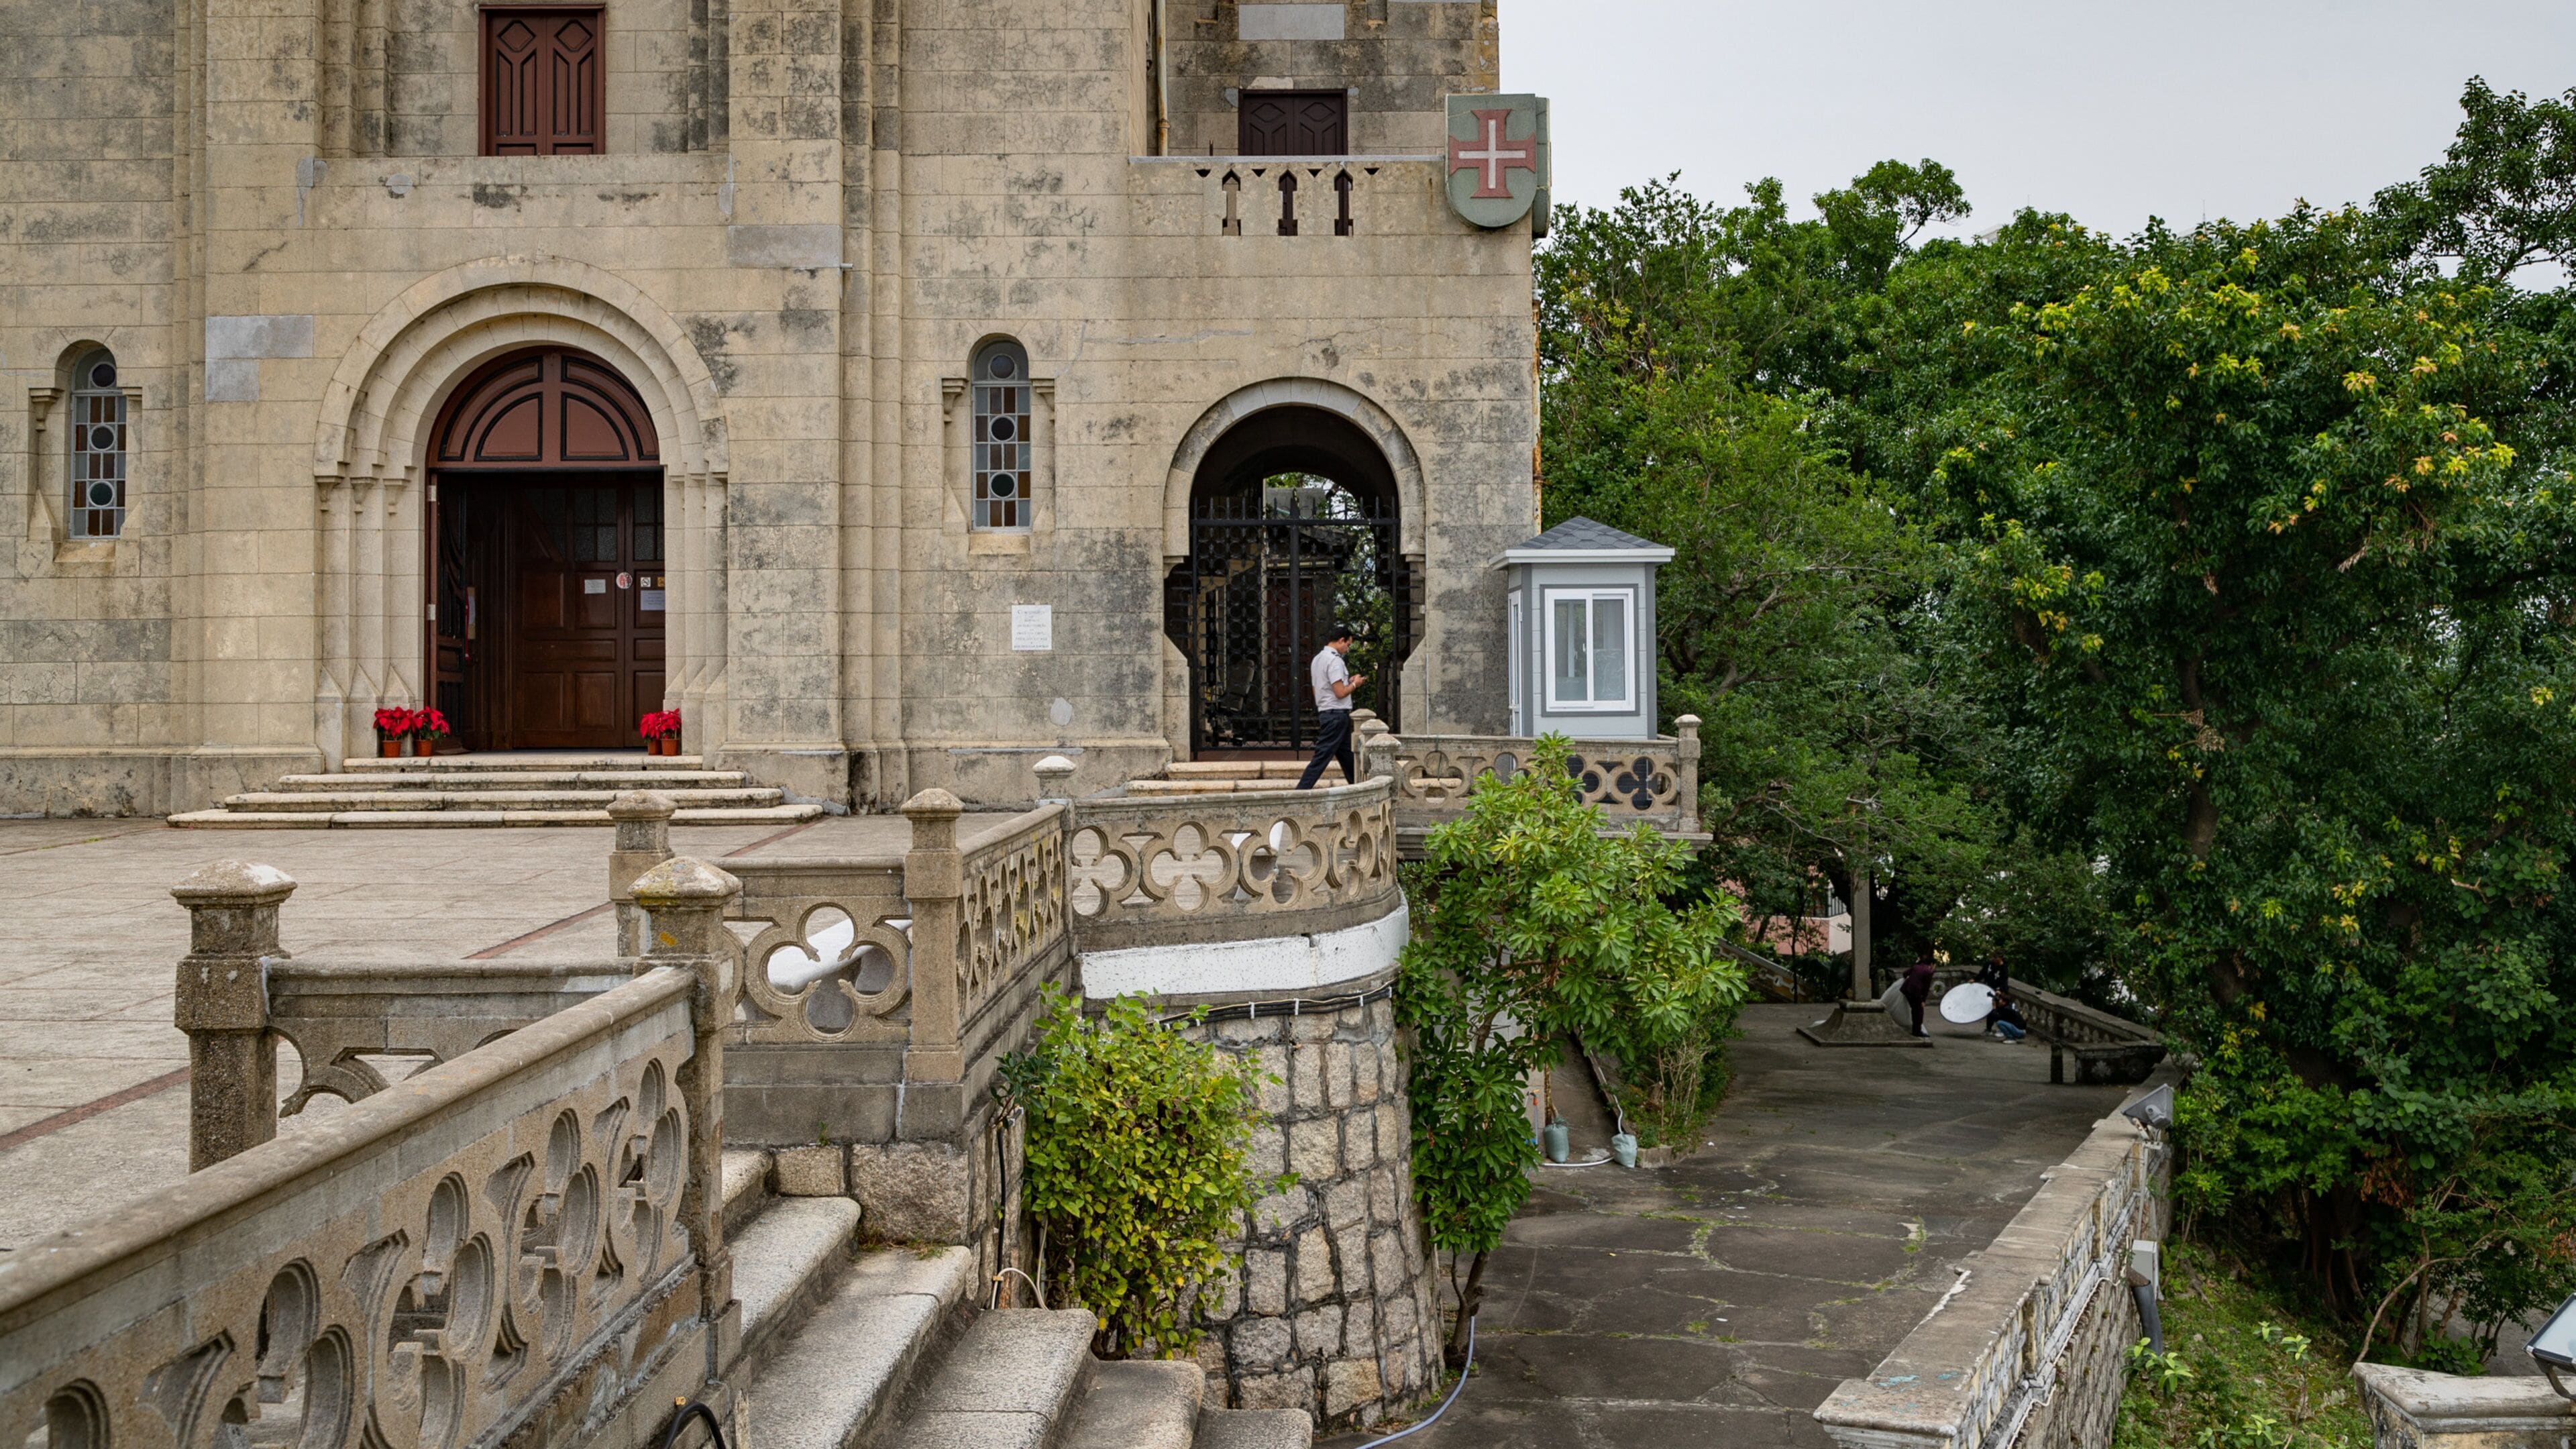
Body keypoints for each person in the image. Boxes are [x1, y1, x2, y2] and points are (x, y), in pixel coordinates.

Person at [1296, 625, 1368, 790]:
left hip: (1327, 712)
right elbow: (1340, 693)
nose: (1348, 649)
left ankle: (1359, 788)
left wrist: (1348, 682)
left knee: (1347, 756)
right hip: (1336, 715)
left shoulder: (1318, 659)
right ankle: (1300, 792)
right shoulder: (1335, 660)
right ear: (1341, 640)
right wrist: (1355, 684)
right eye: (1348, 645)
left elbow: (1319, 689)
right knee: (1322, 757)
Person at [1900, 958, 1936, 1038]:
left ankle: (1915, 1029)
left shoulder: (1916, 967)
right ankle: (1917, 1031)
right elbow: (1926, 988)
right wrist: (1923, 1001)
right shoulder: (1928, 972)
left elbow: (1905, 974)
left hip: (1906, 989)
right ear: (1932, 964)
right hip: (1915, 992)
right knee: (1919, 1011)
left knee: (1915, 1009)